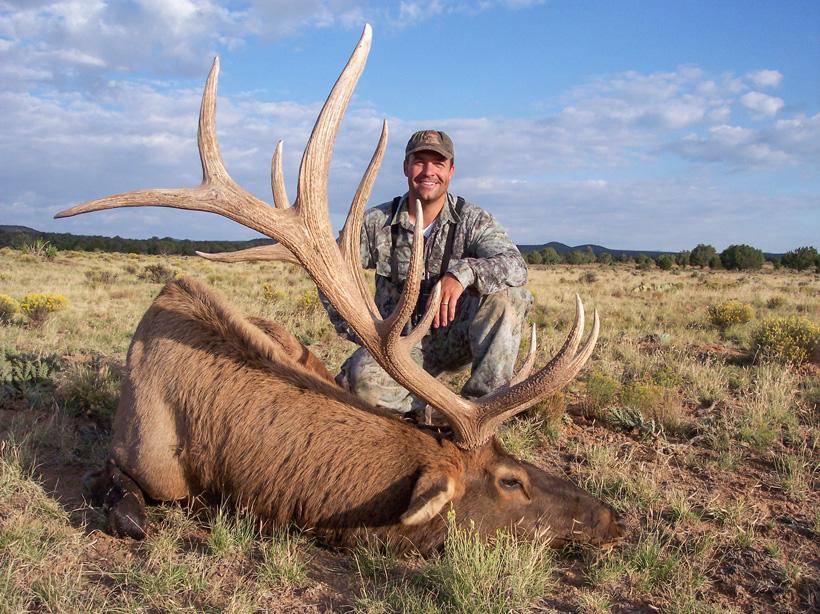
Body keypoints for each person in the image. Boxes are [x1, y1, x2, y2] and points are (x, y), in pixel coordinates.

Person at [325, 130, 532, 417]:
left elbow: (515, 265)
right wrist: (363, 333)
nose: (428, 172)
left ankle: (483, 409)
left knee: (509, 297)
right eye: (419, 161)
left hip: (453, 338)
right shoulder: (375, 222)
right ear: (406, 167)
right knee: (360, 386)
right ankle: (442, 410)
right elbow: (330, 272)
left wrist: (462, 273)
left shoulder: (471, 220)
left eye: (438, 163)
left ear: (451, 171)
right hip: (397, 346)